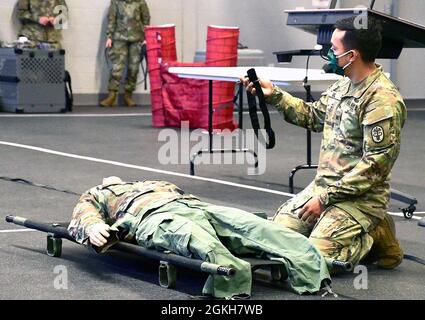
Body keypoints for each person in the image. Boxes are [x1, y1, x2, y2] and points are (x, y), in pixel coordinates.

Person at [242, 17, 406, 271]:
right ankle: (341, 227)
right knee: (274, 241)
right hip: (323, 188)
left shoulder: (382, 100)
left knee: (312, 261)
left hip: (361, 198)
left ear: (352, 55)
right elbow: (312, 115)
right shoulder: (342, 86)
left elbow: (375, 166)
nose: (327, 53)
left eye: (333, 49)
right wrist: (273, 94)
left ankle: (373, 235)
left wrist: (326, 198)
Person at [68, 176, 330, 299]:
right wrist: (92, 226)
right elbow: (84, 210)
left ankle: (311, 267)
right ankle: (232, 283)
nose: (113, 178)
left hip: (194, 206)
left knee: (256, 227)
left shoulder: (153, 183)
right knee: (197, 239)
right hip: (149, 217)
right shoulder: (101, 191)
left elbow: (184, 196)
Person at [100, 0, 151, 108]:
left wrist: (147, 37)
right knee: (116, 68)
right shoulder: (116, 2)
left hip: (137, 39)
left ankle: (128, 95)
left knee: (134, 68)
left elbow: (146, 19)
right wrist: (109, 36)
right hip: (119, 38)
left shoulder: (140, 2)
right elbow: (111, 19)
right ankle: (112, 95)